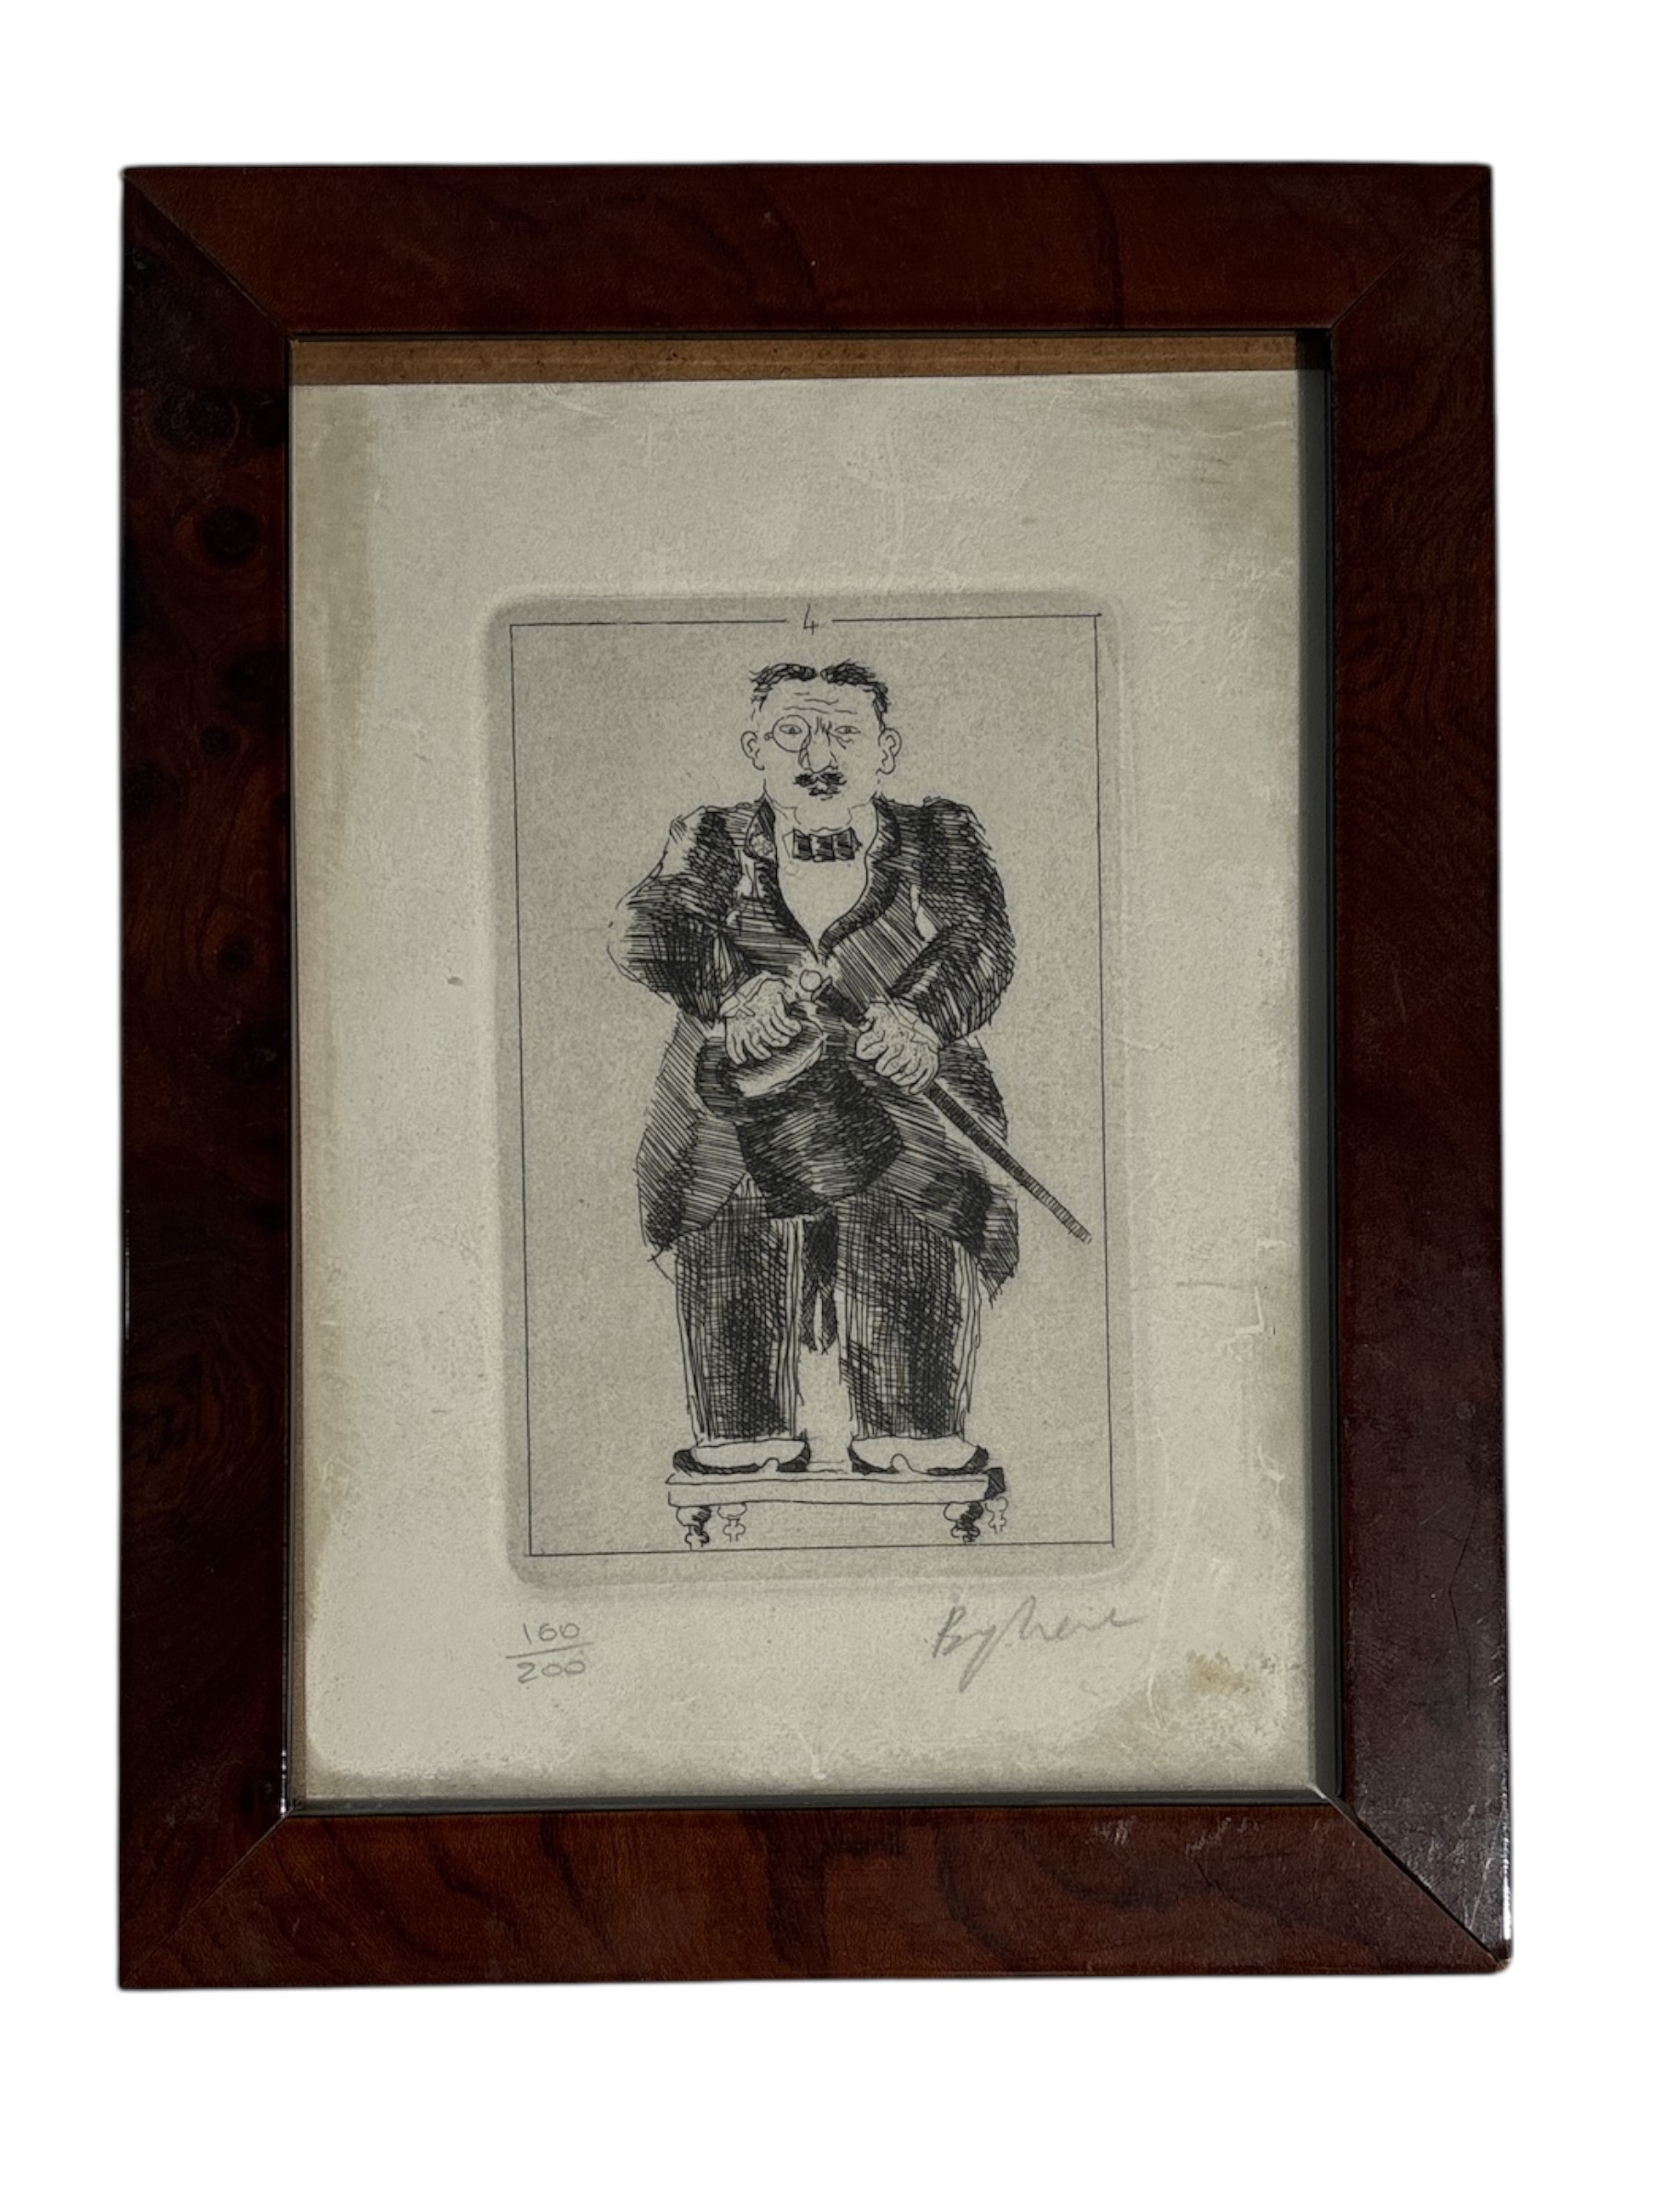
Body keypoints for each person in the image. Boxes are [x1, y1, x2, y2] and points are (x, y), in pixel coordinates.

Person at [610, 660, 1017, 1478]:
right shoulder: (712, 837)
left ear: (885, 750)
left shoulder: (939, 836)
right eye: (792, 733)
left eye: (844, 734)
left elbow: (982, 944)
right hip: (748, 1104)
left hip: (901, 1098)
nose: (818, 756)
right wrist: (734, 992)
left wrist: (922, 1021)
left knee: (917, 1197)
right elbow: (644, 927)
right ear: (755, 748)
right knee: (725, 1202)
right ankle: (740, 1427)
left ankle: (913, 1426)